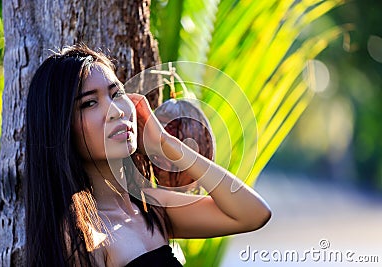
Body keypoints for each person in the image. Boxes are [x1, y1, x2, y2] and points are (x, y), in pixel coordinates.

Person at [24, 44, 271, 267]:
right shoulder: (81, 237)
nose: (116, 111)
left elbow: (253, 214)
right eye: (89, 103)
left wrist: (165, 142)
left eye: (116, 94)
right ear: (60, 128)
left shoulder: (149, 209)